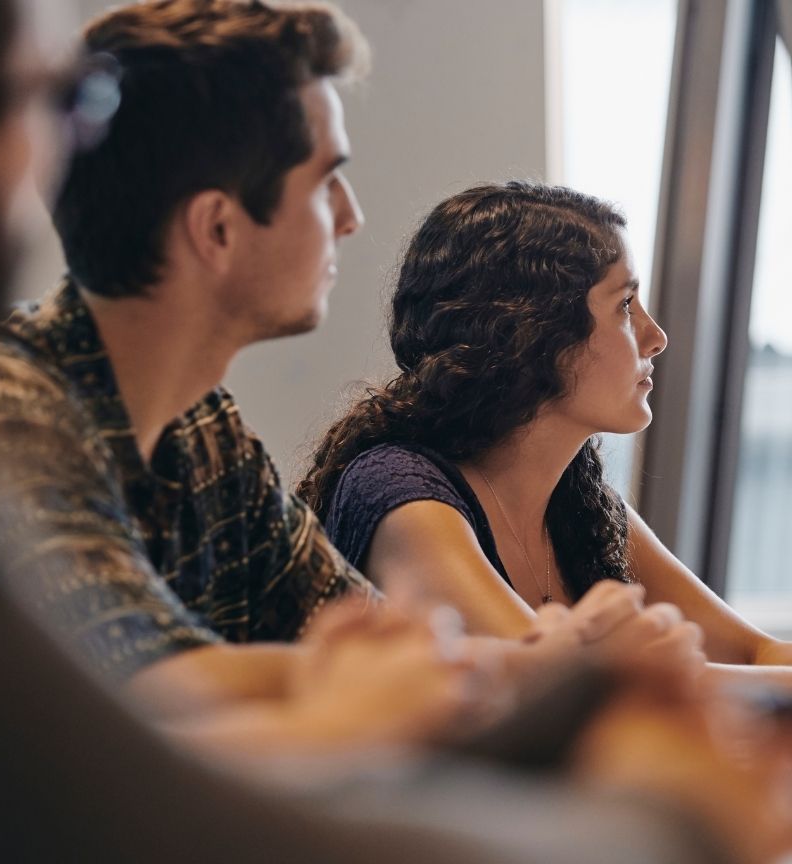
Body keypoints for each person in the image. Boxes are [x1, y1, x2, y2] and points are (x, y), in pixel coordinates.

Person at [0, 4, 792, 864]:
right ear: (219, 228)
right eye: (325, 179)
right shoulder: (20, 412)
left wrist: (553, 667)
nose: (350, 216)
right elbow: (140, 724)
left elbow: (401, 653)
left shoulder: (205, 432)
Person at [300, 181, 792, 682]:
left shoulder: (579, 502)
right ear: (532, 331)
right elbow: (565, 693)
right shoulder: (399, 495)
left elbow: (754, 653)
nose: (656, 336)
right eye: (625, 306)